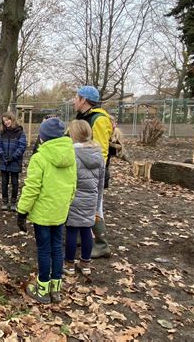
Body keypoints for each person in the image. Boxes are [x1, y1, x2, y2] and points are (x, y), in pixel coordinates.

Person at [17, 118, 77, 304]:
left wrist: (22, 212)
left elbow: (32, 188)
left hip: (43, 215)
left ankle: (42, 289)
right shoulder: (70, 155)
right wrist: (66, 205)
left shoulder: (39, 158)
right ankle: (55, 289)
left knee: (44, 250)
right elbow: (73, 185)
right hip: (60, 212)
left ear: (43, 137)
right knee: (57, 249)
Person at [73, 86, 113, 259]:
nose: (74, 100)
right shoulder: (84, 117)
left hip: (93, 174)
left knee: (95, 208)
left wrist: (95, 176)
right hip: (82, 171)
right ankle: (84, 236)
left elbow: (101, 151)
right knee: (82, 206)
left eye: (76, 97)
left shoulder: (98, 119)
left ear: (84, 100)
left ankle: (102, 244)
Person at [64, 120, 105, 277]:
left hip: (75, 199)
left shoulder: (72, 154)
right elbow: (101, 182)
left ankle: (69, 265)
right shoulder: (98, 154)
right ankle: (85, 263)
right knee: (87, 229)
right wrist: (98, 204)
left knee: (72, 231)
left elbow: (69, 179)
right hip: (91, 198)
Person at [0, 111, 27, 211]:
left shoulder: (20, 132)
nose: (6, 122)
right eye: (4, 121)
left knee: (14, 182)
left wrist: (13, 157)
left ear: (12, 119)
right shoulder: (2, 132)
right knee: (4, 182)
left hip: (15, 161)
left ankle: (13, 202)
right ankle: (5, 202)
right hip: (4, 161)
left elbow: (22, 147)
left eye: (7, 120)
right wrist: (2, 154)